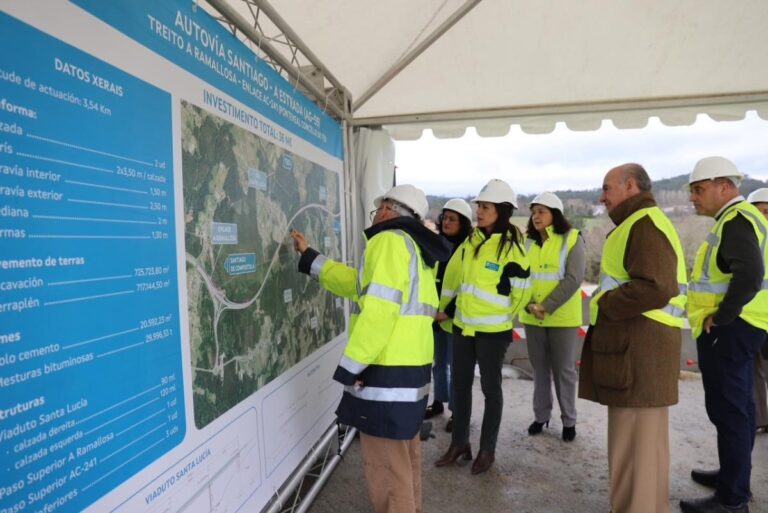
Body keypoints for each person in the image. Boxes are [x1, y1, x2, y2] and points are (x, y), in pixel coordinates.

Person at [290, 184, 450, 513]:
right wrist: (312, 260)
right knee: (404, 460)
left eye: (378, 209)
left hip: (386, 373)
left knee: (387, 470)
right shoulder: (414, 248)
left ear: (391, 209)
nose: (375, 215)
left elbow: (379, 311)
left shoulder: (389, 241)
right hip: (412, 371)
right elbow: (360, 285)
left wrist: (352, 366)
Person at [579, 163, 687, 513]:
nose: (602, 196)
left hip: (638, 354)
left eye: (606, 188)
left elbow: (657, 287)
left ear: (629, 186)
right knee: (646, 452)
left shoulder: (643, 223)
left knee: (633, 453)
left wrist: (606, 302)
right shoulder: (640, 222)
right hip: (641, 354)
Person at [682, 158, 768, 513]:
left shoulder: (736, 222)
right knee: (741, 409)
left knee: (729, 410)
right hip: (746, 327)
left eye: (699, 190)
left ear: (725, 186)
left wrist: (724, 316)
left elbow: (749, 275)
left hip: (732, 329)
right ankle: (733, 475)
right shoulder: (743, 219)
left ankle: (732, 499)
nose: (693, 198)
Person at [434, 178, 531, 475]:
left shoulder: (514, 249)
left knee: (491, 389)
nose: (479, 211)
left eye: (485, 207)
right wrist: (446, 310)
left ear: (501, 211)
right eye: (479, 206)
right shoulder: (470, 243)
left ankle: (487, 450)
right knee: (461, 387)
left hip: (493, 333)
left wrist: (498, 318)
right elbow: (452, 280)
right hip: (462, 328)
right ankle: (460, 444)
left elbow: (521, 292)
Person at [519, 192, 586, 442]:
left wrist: (546, 306)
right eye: (534, 212)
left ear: (554, 215)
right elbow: (519, 278)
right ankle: (541, 416)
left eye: (541, 212)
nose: (536, 217)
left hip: (561, 318)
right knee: (539, 370)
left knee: (564, 371)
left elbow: (573, 278)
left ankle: (569, 421)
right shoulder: (527, 242)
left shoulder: (572, 239)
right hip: (531, 317)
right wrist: (528, 305)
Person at [425, 198, 473, 433]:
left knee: (456, 368)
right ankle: (438, 402)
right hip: (434, 316)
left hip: (455, 318)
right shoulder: (436, 244)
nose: (447, 222)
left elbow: (468, 285)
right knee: (438, 364)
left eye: (453, 219)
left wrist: (449, 311)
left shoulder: (469, 249)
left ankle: (457, 411)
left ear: (463, 223)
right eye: (445, 217)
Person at [747, 187, 768, 434]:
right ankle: (760, 419)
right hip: (755, 317)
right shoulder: (749, 240)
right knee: (756, 371)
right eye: (762, 211)